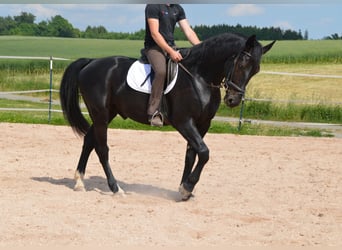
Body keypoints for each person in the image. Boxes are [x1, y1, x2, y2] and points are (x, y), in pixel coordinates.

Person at [144, 4, 201, 127]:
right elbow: (155, 33)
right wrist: (170, 51)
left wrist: (201, 48)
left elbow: (188, 31)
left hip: (171, 47)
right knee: (161, 72)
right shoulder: (153, 6)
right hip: (154, 48)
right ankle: (153, 112)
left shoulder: (178, 9)